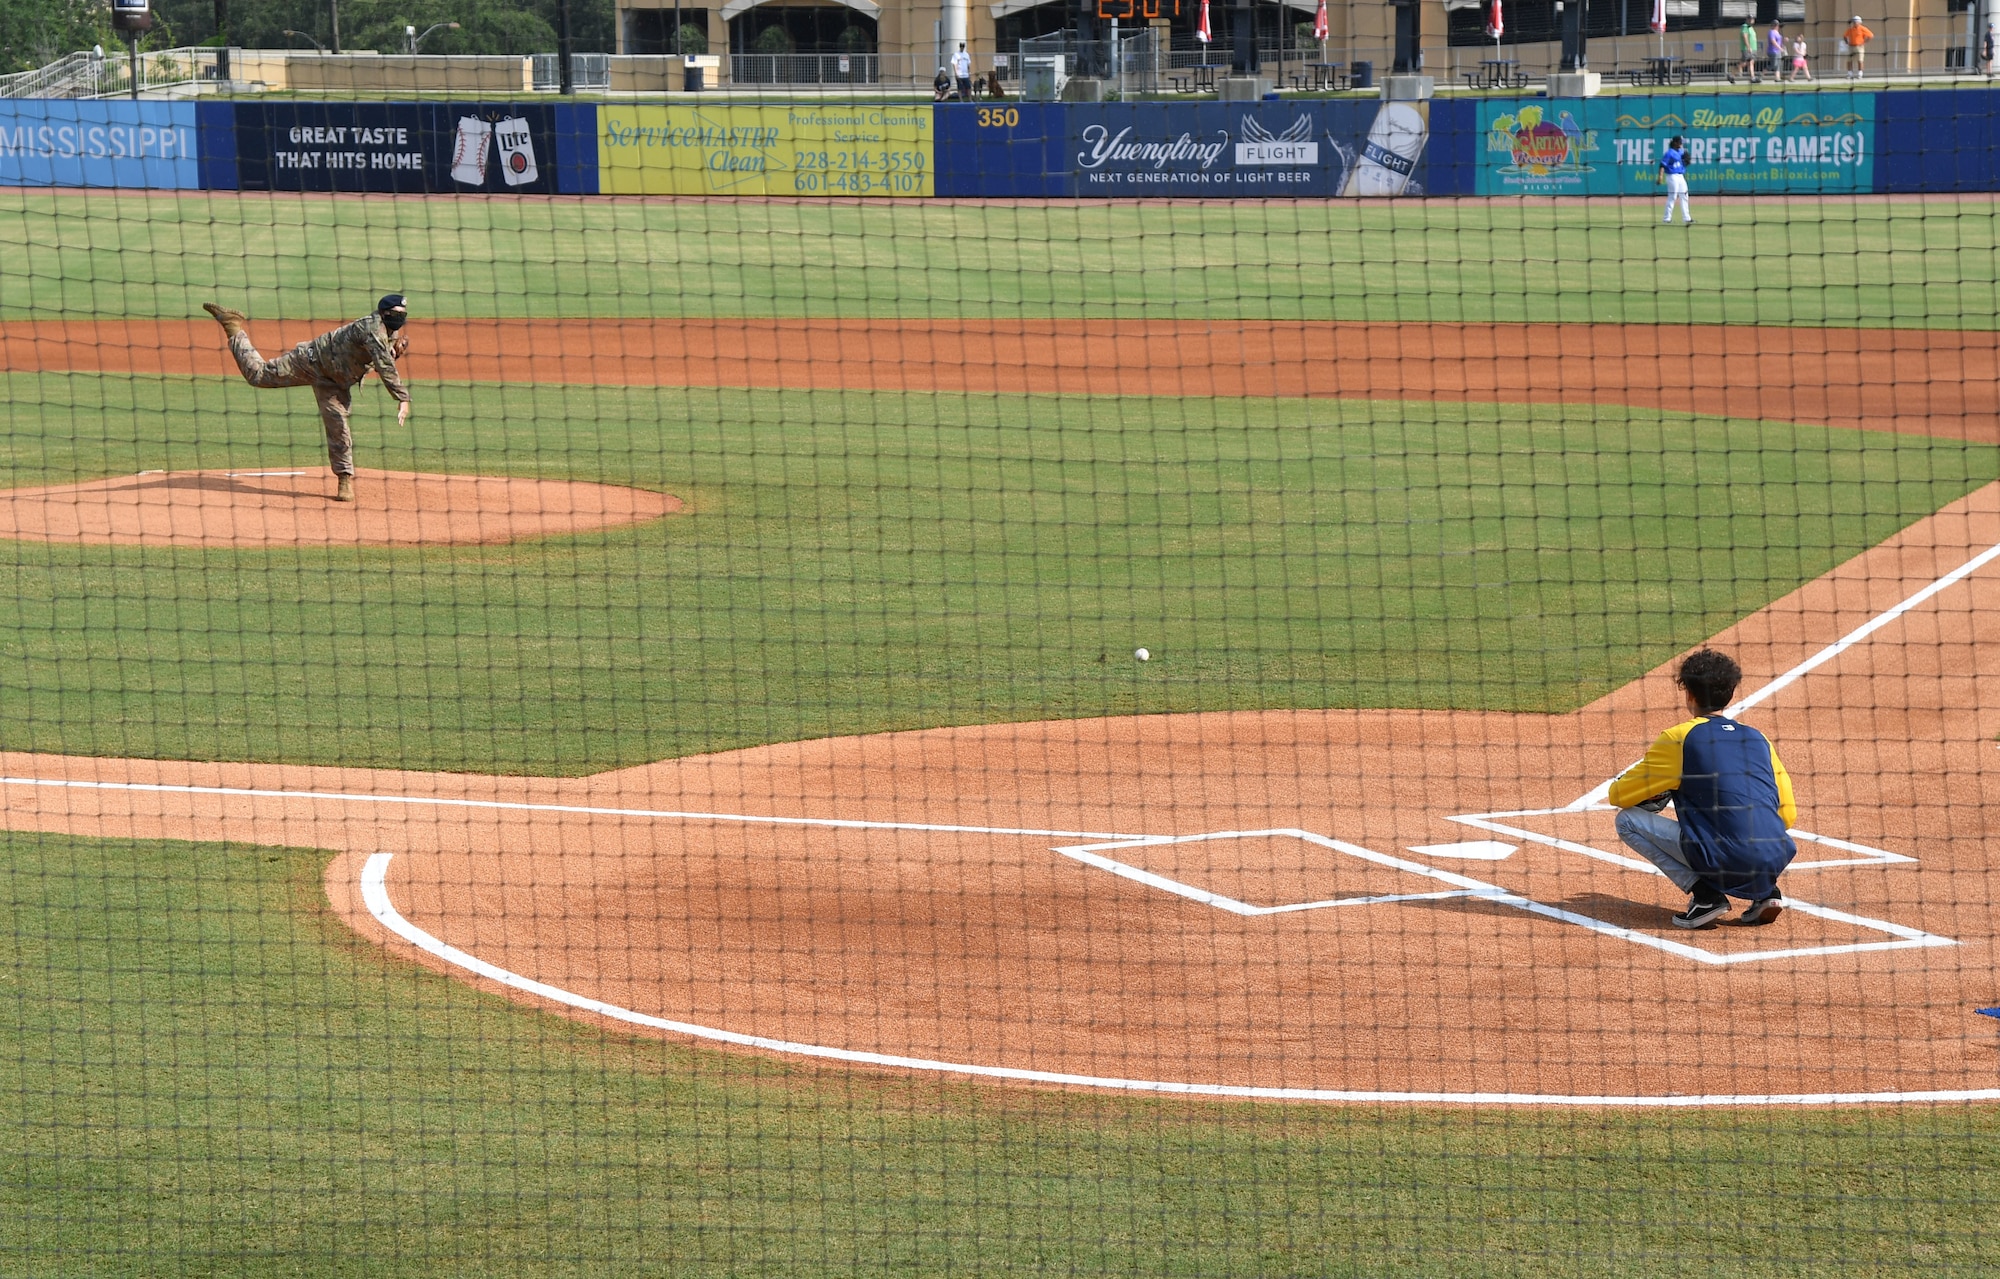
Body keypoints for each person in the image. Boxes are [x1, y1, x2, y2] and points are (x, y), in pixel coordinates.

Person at [1608, 649, 1797, 930]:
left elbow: (1619, 796)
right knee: (1746, 821)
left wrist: (1663, 790)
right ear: (1730, 692)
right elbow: (1788, 814)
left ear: (1690, 695)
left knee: (1626, 821)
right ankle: (1767, 892)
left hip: (1723, 858)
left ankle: (1706, 896)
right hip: (1775, 854)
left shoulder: (1679, 738)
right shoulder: (1758, 739)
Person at [202, 296, 411, 504]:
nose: (399, 318)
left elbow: (374, 356)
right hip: (311, 362)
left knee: (338, 424)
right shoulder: (372, 328)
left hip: (335, 382)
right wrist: (402, 398)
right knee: (258, 376)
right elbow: (383, 364)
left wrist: (392, 352)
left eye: (402, 315)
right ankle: (233, 326)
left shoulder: (390, 331)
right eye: (394, 314)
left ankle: (344, 479)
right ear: (383, 313)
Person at [1659, 134, 1692, 225]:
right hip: (1672, 176)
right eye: (1680, 142)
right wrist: (1660, 176)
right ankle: (1667, 218)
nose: (1681, 144)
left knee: (1684, 195)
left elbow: (1686, 162)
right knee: (1673, 196)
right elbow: (1662, 165)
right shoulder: (1669, 153)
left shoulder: (1682, 152)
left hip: (1681, 176)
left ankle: (1687, 218)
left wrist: (1687, 161)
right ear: (1675, 143)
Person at [1843, 14, 1873, 79]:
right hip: (1851, 46)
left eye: (1855, 21)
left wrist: (1864, 42)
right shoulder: (1850, 29)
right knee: (1849, 60)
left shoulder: (1863, 28)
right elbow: (1845, 36)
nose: (1854, 23)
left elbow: (1871, 35)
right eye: (1853, 21)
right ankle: (1849, 74)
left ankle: (1860, 74)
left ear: (1859, 22)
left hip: (1859, 47)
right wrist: (1847, 43)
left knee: (1860, 60)